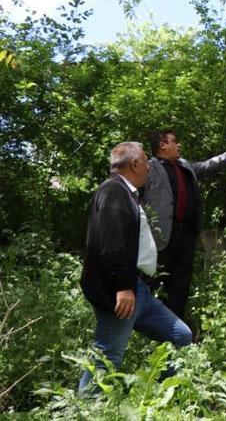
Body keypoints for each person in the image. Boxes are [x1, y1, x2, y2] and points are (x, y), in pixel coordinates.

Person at [79, 142, 192, 395]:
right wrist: (122, 287)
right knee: (107, 356)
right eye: (145, 160)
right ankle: (86, 408)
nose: (149, 165)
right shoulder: (114, 191)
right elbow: (112, 243)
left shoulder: (127, 192)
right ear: (134, 164)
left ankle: (161, 393)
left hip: (139, 290)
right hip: (121, 292)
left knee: (181, 335)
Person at [142, 129, 226, 319]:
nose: (179, 144)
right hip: (160, 238)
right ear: (162, 145)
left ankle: (174, 330)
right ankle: (146, 328)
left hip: (186, 237)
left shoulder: (185, 166)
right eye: (174, 141)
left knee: (180, 285)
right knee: (152, 283)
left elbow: (211, 165)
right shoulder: (147, 168)